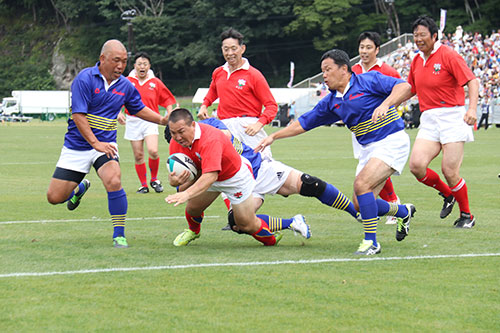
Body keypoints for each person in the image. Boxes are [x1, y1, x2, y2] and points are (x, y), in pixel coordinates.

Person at [256, 49, 416, 256]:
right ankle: (403, 212)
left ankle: (371, 243)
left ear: (344, 69)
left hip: (391, 140)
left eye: (328, 69)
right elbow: (303, 123)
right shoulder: (331, 101)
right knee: (360, 204)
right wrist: (274, 136)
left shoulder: (369, 80)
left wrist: (386, 104)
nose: (324, 75)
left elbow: (404, 86)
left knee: (362, 185)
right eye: (322, 71)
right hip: (368, 148)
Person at [46, 40, 168, 248]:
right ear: (103, 59)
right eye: (116, 61)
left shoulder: (125, 85)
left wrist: (162, 120)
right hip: (77, 146)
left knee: (113, 179)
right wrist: (95, 143)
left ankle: (119, 235)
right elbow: (78, 116)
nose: (121, 66)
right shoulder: (84, 79)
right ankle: (79, 189)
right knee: (54, 197)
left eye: (124, 61)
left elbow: (137, 108)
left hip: (106, 145)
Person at [198, 117, 359, 236]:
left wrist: (259, 123)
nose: (179, 138)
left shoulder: (211, 125)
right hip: (238, 182)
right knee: (238, 223)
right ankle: (292, 222)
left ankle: (357, 213)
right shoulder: (185, 150)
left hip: (258, 169)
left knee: (310, 184)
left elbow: (226, 133)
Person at [165, 108, 292, 247]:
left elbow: (211, 176)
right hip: (210, 175)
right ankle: (193, 232)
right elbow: (187, 179)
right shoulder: (175, 143)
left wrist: (187, 193)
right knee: (192, 209)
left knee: (246, 224)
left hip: (235, 177)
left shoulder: (210, 138)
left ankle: (272, 239)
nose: (177, 137)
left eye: (181, 131)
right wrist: (174, 182)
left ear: (193, 126)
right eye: (173, 133)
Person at [407, 16, 479, 228]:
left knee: (449, 170)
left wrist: (472, 108)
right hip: (429, 117)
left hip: (452, 116)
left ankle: (467, 216)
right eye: (415, 35)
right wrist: (387, 105)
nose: (418, 39)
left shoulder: (448, 55)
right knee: (417, 166)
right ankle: (449, 194)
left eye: (422, 35)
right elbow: (411, 88)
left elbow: (472, 80)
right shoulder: (417, 60)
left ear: (434, 35)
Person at [197, 28, 277, 159]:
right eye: (226, 49)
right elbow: (213, 91)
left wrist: (259, 123)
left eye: (234, 48)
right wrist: (204, 105)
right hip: (225, 127)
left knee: (263, 165)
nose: (230, 53)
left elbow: (271, 105)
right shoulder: (218, 72)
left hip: (248, 126)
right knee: (226, 168)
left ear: (242, 48)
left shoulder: (254, 75)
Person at [352, 31, 402, 225]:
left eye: (368, 47)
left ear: (377, 49)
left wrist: (387, 110)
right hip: (360, 129)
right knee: (368, 166)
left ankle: (390, 203)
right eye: (361, 47)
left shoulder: (387, 71)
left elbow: (402, 91)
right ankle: (379, 204)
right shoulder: (352, 70)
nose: (364, 51)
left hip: (382, 130)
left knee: (375, 164)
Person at [118, 52, 177, 194]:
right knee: (138, 155)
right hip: (133, 121)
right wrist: (118, 112)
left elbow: (167, 99)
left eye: (145, 64)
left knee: (153, 151)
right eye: (139, 64)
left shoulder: (155, 82)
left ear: (149, 66)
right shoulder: (127, 81)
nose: (142, 66)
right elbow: (117, 97)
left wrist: (169, 112)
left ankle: (154, 179)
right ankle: (143, 185)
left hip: (151, 120)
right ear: (135, 66)